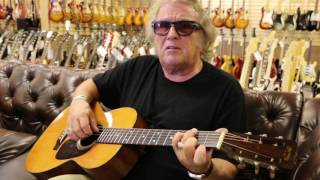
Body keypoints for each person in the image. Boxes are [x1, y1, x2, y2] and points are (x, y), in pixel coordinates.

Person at [67, 0, 247, 179]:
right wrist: (79, 103)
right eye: (162, 26)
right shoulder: (138, 67)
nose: (171, 34)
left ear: (203, 38)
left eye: (184, 26)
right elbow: (90, 86)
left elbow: (228, 168)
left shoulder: (226, 89)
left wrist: (203, 169)